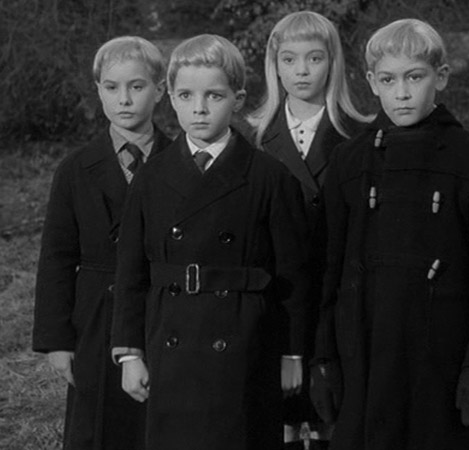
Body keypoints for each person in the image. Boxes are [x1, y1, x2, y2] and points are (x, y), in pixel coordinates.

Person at [312, 18, 469, 450]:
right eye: (388, 80)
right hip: (361, 356)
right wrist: (323, 358)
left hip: (439, 358)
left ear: (440, 77)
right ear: (372, 82)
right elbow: (329, 269)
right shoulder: (349, 161)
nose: (401, 93)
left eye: (414, 77)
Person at [110, 34, 310, 450]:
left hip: (246, 343)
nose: (199, 108)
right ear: (172, 98)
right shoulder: (151, 176)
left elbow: (293, 276)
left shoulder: (269, 177)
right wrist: (130, 353)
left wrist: (292, 354)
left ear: (237, 100)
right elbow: (131, 272)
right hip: (170, 342)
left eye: (213, 96)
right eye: (186, 95)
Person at [32, 36, 170, 450]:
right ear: (99, 91)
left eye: (137, 86)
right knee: (98, 427)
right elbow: (56, 257)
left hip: (162, 311)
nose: (124, 99)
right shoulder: (75, 168)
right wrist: (57, 341)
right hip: (95, 319)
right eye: (112, 87)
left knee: (158, 423)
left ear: (160, 89)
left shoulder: (180, 160)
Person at [250, 10, 372, 450]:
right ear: (274, 65)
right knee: (279, 411)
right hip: (277, 296)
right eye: (289, 59)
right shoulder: (253, 137)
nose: (301, 71)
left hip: (336, 293)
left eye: (314, 58)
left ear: (332, 62)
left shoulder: (359, 134)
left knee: (329, 409)